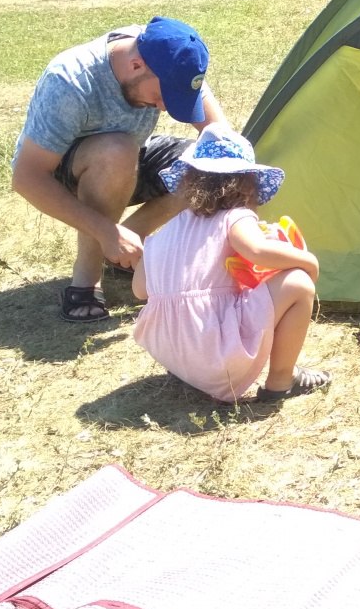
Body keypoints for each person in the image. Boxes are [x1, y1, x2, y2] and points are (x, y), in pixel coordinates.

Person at [11, 17, 228, 322]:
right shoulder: (71, 81)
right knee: (117, 150)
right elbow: (26, 177)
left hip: (129, 159)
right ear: (137, 65)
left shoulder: (172, 56)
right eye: (161, 96)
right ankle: (86, 281)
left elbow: (221, 137)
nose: (164, 107)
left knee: (209, 164)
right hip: (64, 173)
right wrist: (105, 230)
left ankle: (124, 252)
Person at [131, 128, 330, 403]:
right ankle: (281, 381)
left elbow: (140, 290)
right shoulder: (236, 216)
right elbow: (256, 250)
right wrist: (307, 260)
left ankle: (190, 372)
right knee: (298, 284)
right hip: (216, 357)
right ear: (248, 185)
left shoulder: (165, 232)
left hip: (171, 350)